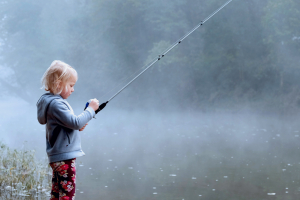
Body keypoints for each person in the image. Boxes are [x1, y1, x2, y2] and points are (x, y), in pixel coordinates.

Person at [36, 60, 100, 200]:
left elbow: (69, 124)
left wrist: (76, 128)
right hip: (64, 157)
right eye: (71, 85)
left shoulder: (50, 102)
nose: (73, 89)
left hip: (57, 157)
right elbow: (75, 122)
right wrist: (91, 109)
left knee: (57, 192)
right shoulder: (57, 104)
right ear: (59, 84)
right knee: (67, 195)